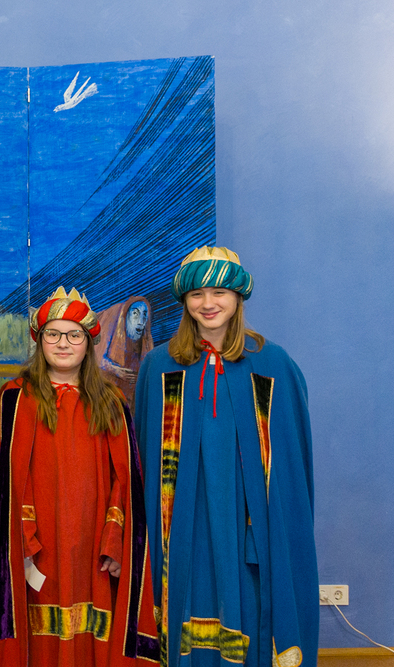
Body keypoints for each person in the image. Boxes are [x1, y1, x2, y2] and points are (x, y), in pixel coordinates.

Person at [135, 246, 317, 666]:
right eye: (197, 293)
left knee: (251, 606)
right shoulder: (159, 367)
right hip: (182, 522)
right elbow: (144, 461)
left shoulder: (272, 365)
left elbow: (292, 467)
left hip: (249, 525)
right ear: (185, 300)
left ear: (237, 296)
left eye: (219, 292)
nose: (208, 303)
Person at [0, 286, 159, 667]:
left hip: (93, 550)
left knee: (91, 632)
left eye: (74, 335)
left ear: (89, 343)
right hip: (36, 549)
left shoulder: (111, 403)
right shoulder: (15, 399)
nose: (63, 343)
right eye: (53, 334)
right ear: (39, 341)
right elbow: (3, 480)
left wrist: (115, 539)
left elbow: (126, 481)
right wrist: (23, 538)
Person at [96, 296, 153, 411]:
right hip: (106, 396)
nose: (141, 321)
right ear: (126, 315)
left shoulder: (144, 341)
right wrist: (115, 370)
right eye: (135, 314)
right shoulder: (112, 320)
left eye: (144, 315)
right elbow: (96, 357)